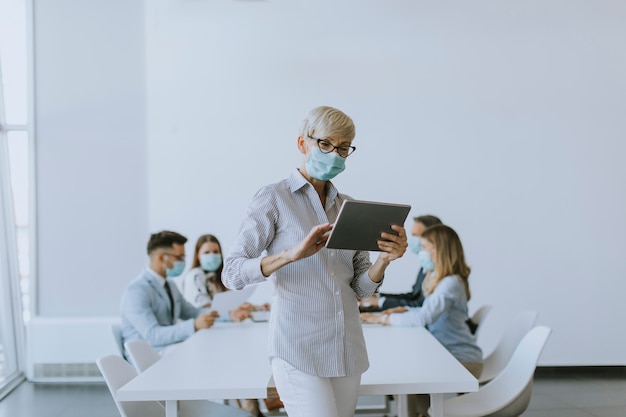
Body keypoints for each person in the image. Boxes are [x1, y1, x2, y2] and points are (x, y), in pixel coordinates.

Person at [222, 105, 408, 417]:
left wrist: (384, 261)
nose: (335, 154)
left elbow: (361, 290)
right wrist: (290, 255)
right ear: (302, 143)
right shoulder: (273, 197)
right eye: (325, 144)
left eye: (344, 147)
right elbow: (231, 273)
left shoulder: (349, 207)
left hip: (346, 348)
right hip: (298, 348)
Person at [361, 224, 482, 417]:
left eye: (425, 248)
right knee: (404, 371)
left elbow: (424, 317)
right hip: (449, 353)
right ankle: (416, 412)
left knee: (405, 375)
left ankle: (416, 413)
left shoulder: (449, 284)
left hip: (461, 360)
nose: (421, 253)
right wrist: (404, 309)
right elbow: (426, 310)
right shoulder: (438, 278)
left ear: (440, 250)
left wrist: (384, 319)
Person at [120, 231, 219, 355]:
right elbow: (153, 335)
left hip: (170, 349)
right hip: (147, 357)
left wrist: (229, 315)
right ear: (161, 258)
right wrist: (193, 326)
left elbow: (193, 312)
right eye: (179, 257)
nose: (183, 261)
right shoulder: (137, 291)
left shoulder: (170, 285)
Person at [359, 214, 442, 312]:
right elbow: (413, 296)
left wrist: (380, 302)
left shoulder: (441, 270)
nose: (411, 240)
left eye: (415, 235)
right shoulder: (426, 265)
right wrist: (377, 297)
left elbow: (420, 304)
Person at [180, 233, 269, 320]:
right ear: (198, 255)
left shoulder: (220, 276)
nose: (212, 256)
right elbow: (204, 307)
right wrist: (231, 313)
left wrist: (257, 308)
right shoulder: (195, 276)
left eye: (215, 252)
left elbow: (231, 302)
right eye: (206, 252)